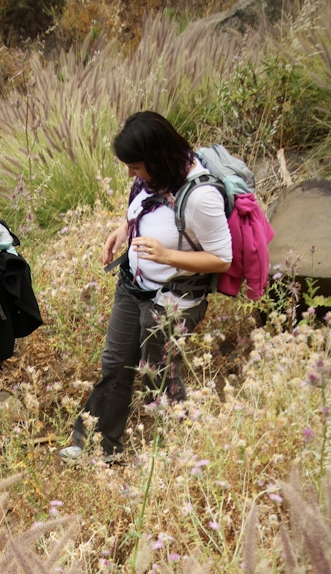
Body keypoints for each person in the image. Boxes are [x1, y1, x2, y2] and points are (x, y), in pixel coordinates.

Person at [60, 111, 232, 463]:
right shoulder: (150, 180)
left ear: (158, 158)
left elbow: (222, 259)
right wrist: (124, 230)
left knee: (158, 375)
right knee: (115, 365)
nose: (130, 174)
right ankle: (97, 447)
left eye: (135, 166)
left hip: (174, 299)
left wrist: (167, 255)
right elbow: (148, 212)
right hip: (133, 285)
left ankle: (180, 454)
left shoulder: (201, 197)